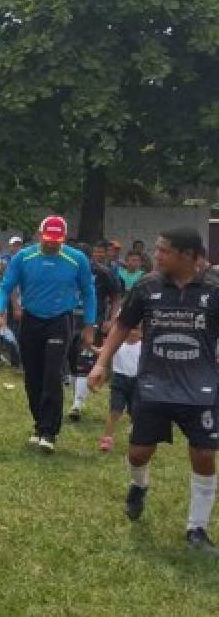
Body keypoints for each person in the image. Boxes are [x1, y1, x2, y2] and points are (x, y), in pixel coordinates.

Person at [88, 228, 219, 552]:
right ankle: (139, 486)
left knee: (204, 455)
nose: (156, 256)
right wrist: (101, 362)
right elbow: (121, 325)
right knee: (138, 453)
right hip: (153, 384)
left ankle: (197, 529)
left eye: (164, 251)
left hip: (200, 387)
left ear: (187, 255)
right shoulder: (146, 286)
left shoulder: (214, 289)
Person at [0, 216, 96, 453]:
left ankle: (50, 431)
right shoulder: (24, 257)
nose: (52, 245)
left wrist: (90, 326)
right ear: (40, 235)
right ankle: (39, 424)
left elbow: (89, 293)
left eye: (57, 241)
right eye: (48, 240)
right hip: (31, 319)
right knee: (33, 375)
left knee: (52, 374)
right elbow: (6, 286)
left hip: (60, 320)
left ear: (64, 239)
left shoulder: (76, 259)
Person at [68, 241, 122, 421]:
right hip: (68, 321)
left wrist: (111, 319)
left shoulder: (103, 272)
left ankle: (77, 404)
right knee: (71, 363)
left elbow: (116, 297)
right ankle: (76, 398)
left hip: (92, 323)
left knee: (85, 361)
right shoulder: (66, 270)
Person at [99, 324, 140, 453]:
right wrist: (104, 373)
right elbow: (106, 358)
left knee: (136, 412)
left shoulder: (144, 346)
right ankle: (107, 438)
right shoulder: (117, 345)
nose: (133, 332)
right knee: (115, 410)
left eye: (136, 329)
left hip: (137, 382)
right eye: (131, 329)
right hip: (119, 380)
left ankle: (136, 435)